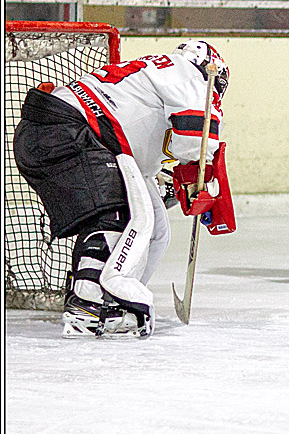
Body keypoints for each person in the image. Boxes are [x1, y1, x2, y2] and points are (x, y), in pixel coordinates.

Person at [13, 41, 232, 338]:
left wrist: (169, 186)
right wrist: (202, 177)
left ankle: (111, 294)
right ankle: (88, 305)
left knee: (156, 230)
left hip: (53, 128)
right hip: (72, 131)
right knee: (119, 215)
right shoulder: (193, 76)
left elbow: (136, 150)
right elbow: (193, 143)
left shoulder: (156, 72)